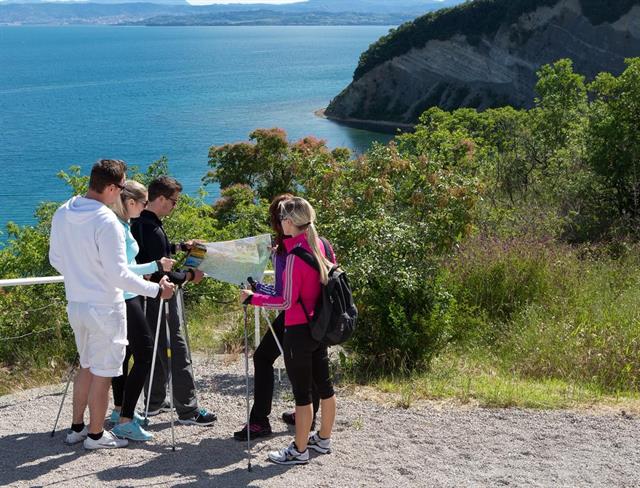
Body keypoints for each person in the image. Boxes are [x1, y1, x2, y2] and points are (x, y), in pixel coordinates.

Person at [49, 159, 175, 450]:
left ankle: (78, 427)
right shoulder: (106, 221)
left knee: (87, 366)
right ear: (109, 187)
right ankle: (96, 436)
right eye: (120, 187)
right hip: (105, 306)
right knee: (104, 373)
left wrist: (82, 273)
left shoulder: (64, 211)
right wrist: (156, 290)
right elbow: (119, 275)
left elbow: (56, 259)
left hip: (77, 303)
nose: (121, 194)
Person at [241, 197, 337, 466]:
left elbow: (285, 301)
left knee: (302, 394)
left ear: (290, 221)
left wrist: (253, 298)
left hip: (297, 330)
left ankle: (299, 449)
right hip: (319, 326)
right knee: (325, 387)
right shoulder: (321, 245)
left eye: (283, 218)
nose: (280, 222)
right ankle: (324, 439)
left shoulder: (294, 254)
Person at [131, 176, 217, 426]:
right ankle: (188, 410)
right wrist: (191, 275)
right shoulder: (153, 227)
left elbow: (156, 251)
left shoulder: (138, 222)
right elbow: (163, 272)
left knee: (155, 346)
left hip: (144, 295)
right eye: (173, 201)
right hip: (162, 295)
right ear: (160, 199)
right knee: (178, 349)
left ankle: (153, 401)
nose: (175, 206)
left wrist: (180, 246)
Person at [109, 180, 176, 441]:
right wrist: (155, 266)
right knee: (144, 354)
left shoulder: (125, 224)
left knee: (125, 355)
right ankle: (125, 419)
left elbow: (126, 267)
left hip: (128, 293)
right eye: (144, 202)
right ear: (130, 202)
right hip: (126, 296)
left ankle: (119, 411)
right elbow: (122, 270)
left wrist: (152, 265)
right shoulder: (118, 226)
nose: (147, 207)